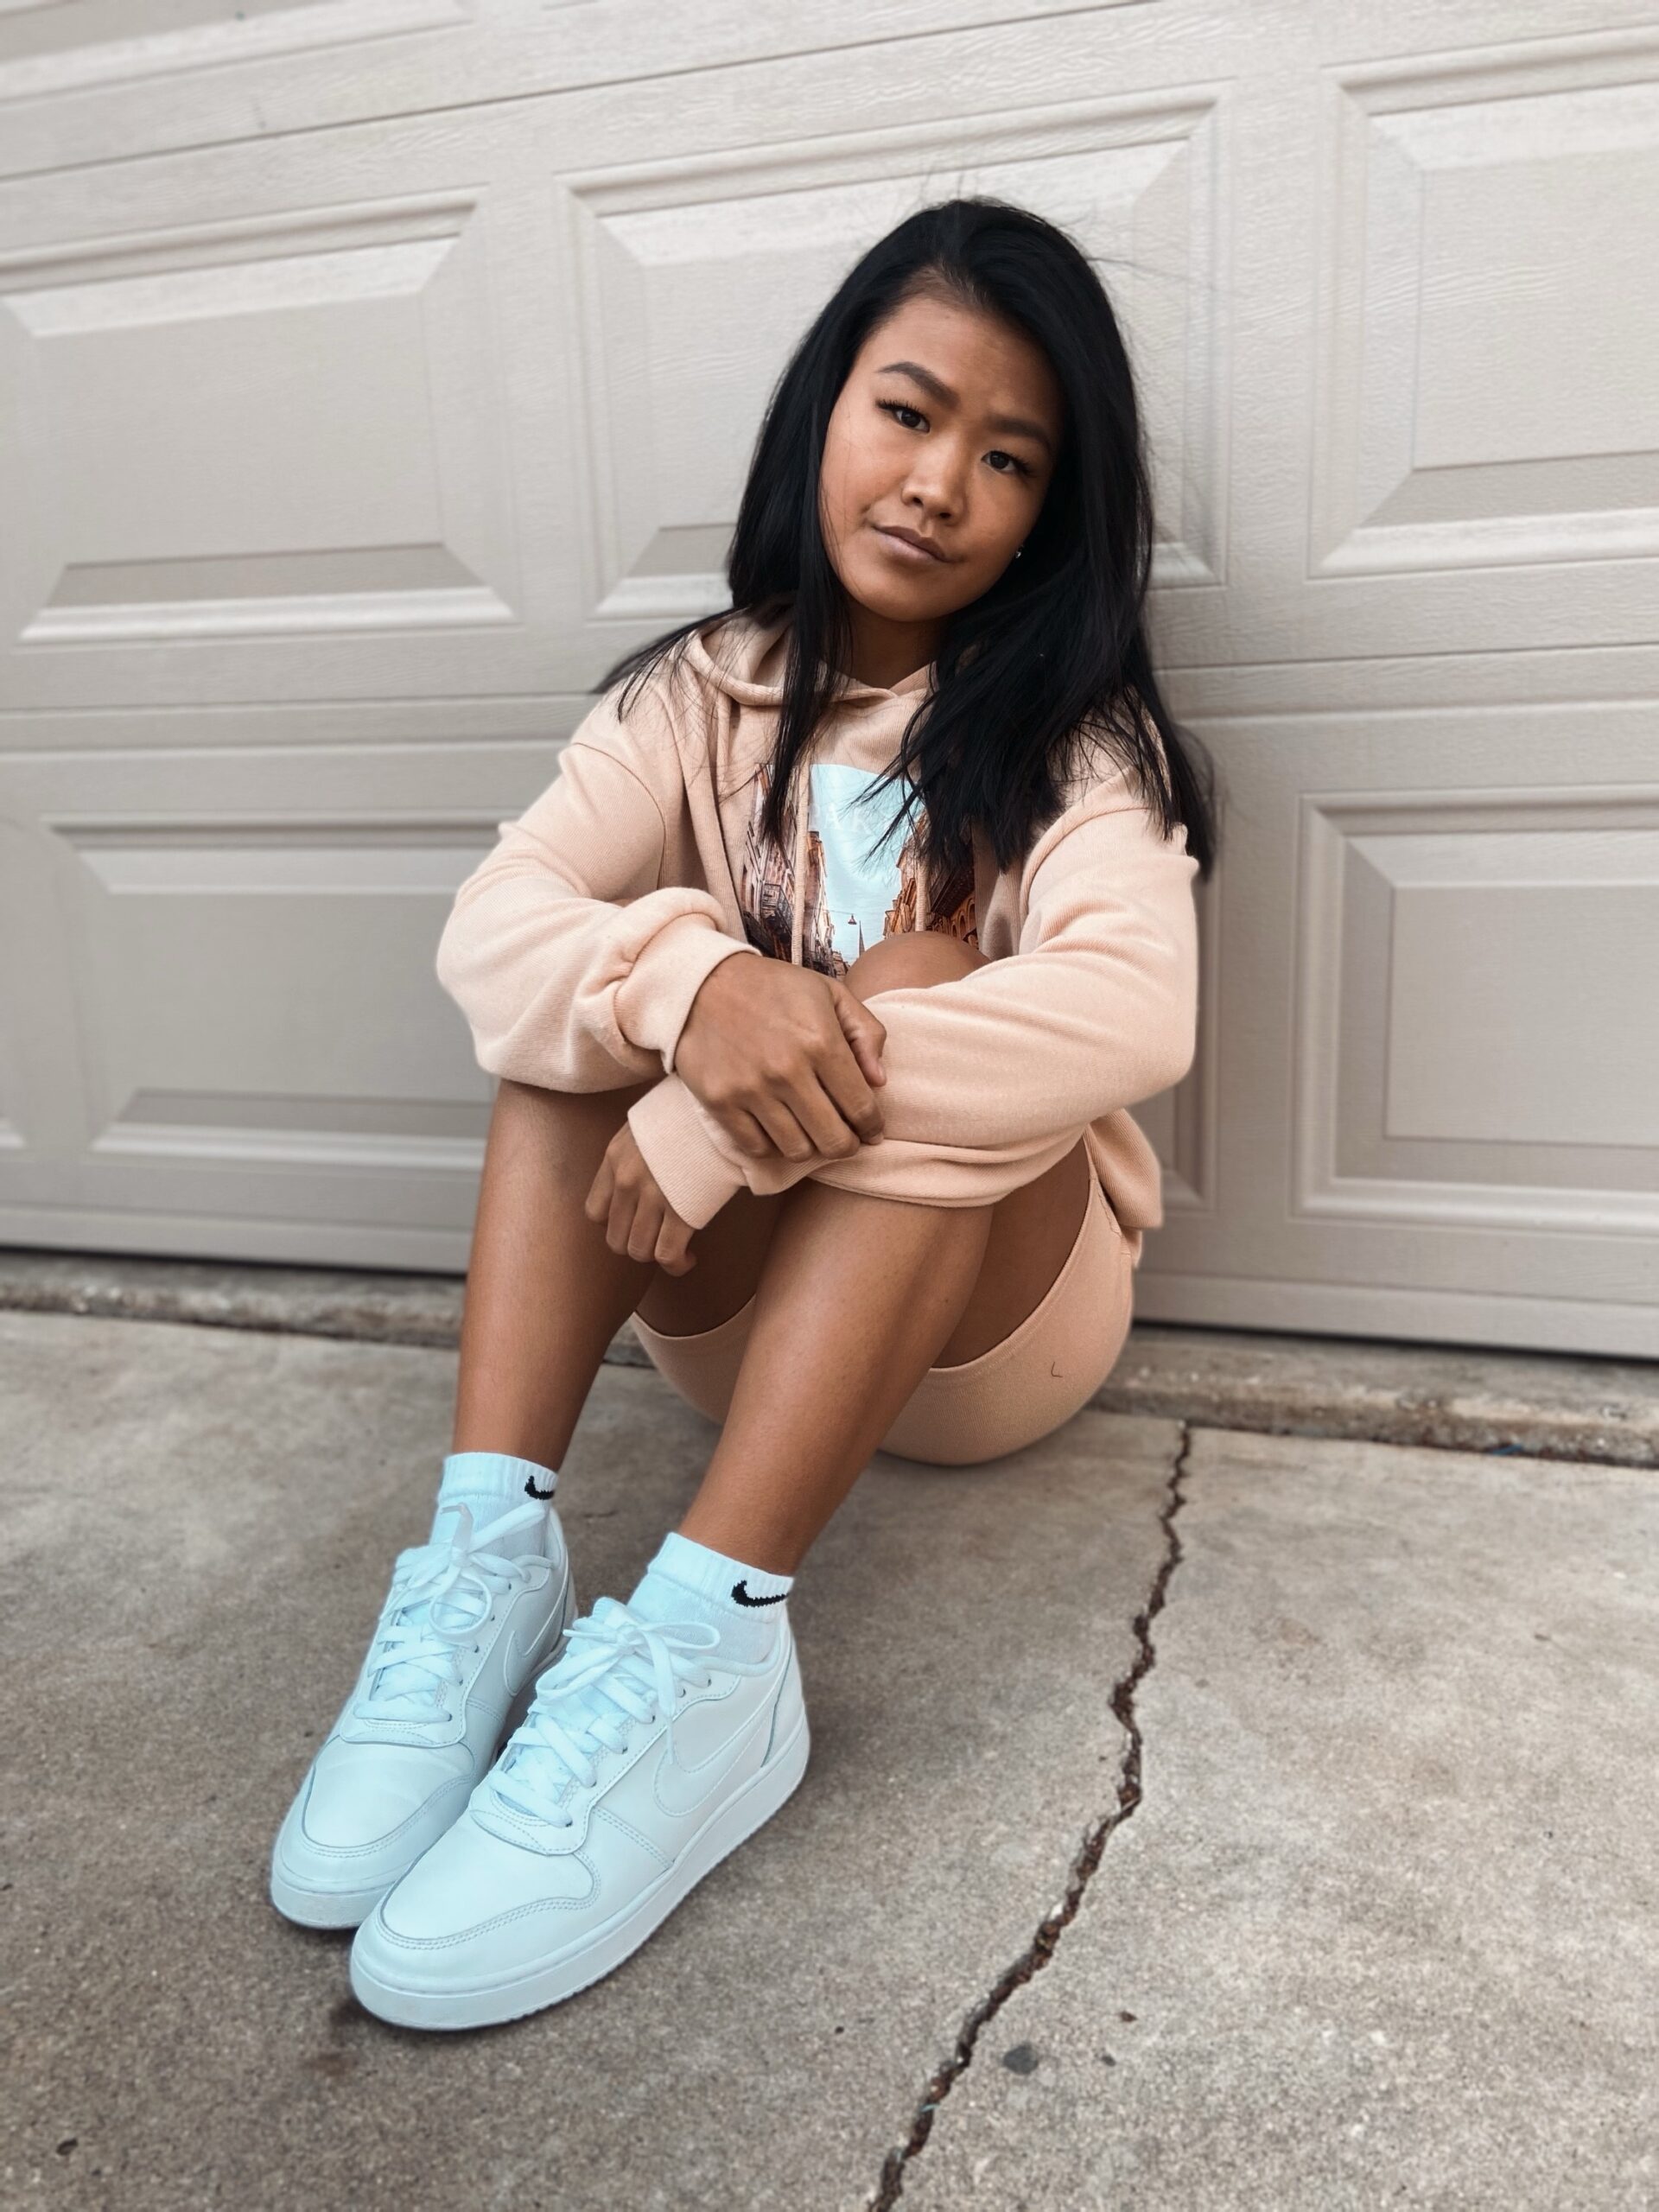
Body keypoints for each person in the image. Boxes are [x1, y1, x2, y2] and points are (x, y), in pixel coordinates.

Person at [270, 195, 1217, 2031]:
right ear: (823, 411)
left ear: (1053, 509)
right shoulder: (693, 695)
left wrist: (722, 1114)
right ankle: (488, 1562)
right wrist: (691, 990)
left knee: (927, 971)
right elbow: (494, 929)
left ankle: (715, 1648)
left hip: (998, 1331)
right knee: (596, 990)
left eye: (1008, 457)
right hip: (729, 1330)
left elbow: (1132, 1007)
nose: (939, 483)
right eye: (908, 412)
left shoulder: (1077, 738)